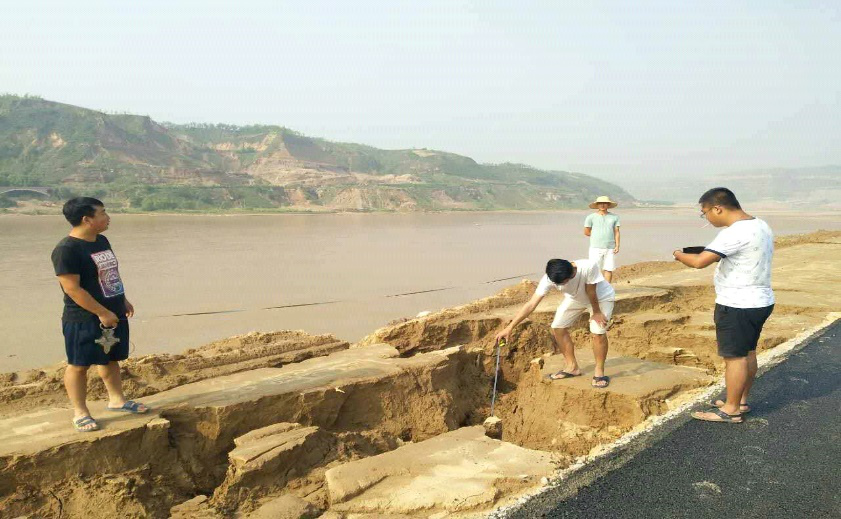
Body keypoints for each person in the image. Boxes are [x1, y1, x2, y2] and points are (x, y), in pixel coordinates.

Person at [673, 187, 774, 424]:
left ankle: (730, 410)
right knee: (747, 352)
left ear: (717, 208)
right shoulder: (760, 224)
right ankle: (740, 400)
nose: (706, 218)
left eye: (705, 213)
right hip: (760, 300)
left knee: (734, 358)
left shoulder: (734, 232)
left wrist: (678, 254)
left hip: (737, 304)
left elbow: (699, 262)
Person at [51, 197, 148, 432]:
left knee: (110, 357)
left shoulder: (101, 240)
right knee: (79, 364)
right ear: (87, 219)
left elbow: (109, 274)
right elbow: (72, 289)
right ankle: (80, 412)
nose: (108, 217)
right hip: (84, 318)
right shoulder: (66, 250)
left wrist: (122, 299)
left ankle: (117, 400)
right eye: (103, 213)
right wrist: (102, 312)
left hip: (113, 311)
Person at [495, 258, 616, 388]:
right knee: (557, 327)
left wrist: (596, 312)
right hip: (576, 299)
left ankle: (599, 372)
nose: (562, 286)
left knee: (597, 332)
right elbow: (531, 304)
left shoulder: (588, 266)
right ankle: (572, 367)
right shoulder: (549, 278)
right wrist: (509, 328)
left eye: (564, 282)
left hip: (601, 297)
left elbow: (591, 291)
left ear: (571, 273)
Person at [584, 196, 621, 283]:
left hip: (610, 247)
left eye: (605, 203)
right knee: (594, 269)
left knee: (608, 268)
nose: (602, 205)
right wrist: (597, 236)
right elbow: (586, 232)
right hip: (595, 247)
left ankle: (607, 288)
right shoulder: (590, 217)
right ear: (597, 205)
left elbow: (617, 232)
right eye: (600, 203)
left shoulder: (614, 217)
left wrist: (617, 245)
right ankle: (594, 288)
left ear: (608, 205)